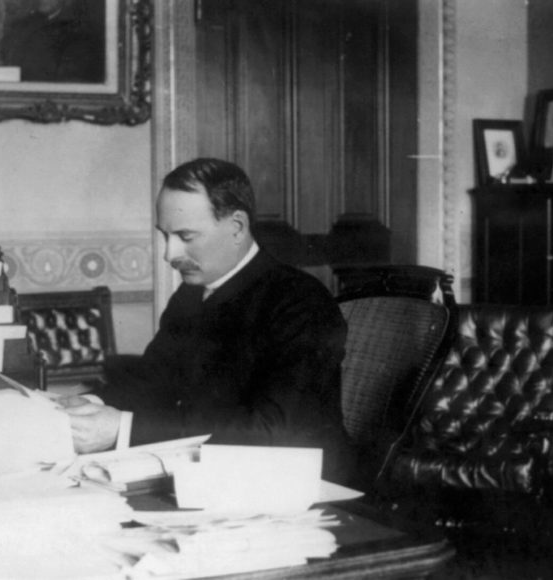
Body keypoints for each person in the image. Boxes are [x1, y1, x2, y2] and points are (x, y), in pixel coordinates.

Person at [62, 158, 354, 483]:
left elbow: (272, 429)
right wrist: (86, 406)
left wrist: (123, 428)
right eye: (166, 236)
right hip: (209, 473)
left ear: (237, 227)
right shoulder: (190, 295)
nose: (169, 255)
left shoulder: (301, 301)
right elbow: (152, 381)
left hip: (300, 487)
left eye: (186, 237)